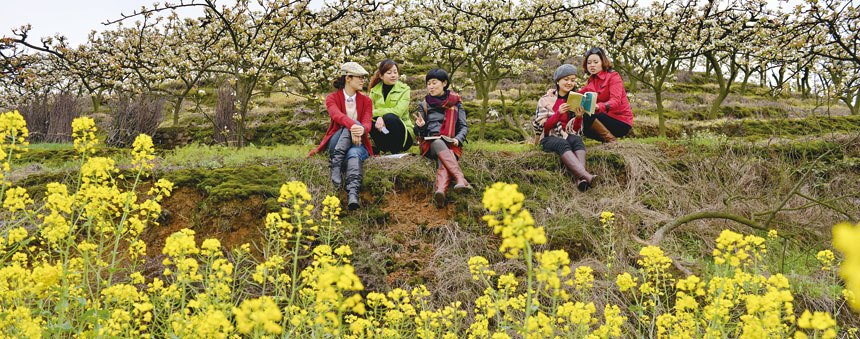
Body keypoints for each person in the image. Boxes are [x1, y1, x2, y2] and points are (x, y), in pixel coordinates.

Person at [308, 62, 373, 210]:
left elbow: (367, 123)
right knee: (350, 123)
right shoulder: (332, 98)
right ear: (348, 78)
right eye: (360, 77)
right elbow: (338, 116)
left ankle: (353, 194)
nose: (363, 80)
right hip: (336, 142)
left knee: (354, 153)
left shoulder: (367, 101)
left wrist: (361, 129)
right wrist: (355, 126)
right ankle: (336, 164)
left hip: (357, 145)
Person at [533, 64, 598, 191]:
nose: (569, 83)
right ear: (558, 81)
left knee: (577, 140)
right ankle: (587, 177)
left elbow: (574, 129)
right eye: (566, 79)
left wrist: (579, 116)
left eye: (572, 80)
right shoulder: (546, 100)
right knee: (562, 143)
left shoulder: (574, 99)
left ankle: (582, 180)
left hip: (565, 134)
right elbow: (545, 126)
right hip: (548, 137)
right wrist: (558, 113)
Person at [413, 68, 471, 207]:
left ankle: (440, 191)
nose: (430, 87)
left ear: (444, 83)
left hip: (451, 144)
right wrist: (420, 126)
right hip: (430, 144)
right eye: (428, 84)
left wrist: (458, 139)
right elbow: (419, 133)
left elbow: (464, 126)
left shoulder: (456, 102)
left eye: (434, 83)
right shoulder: (424, 105)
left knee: (445, 152)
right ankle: (460, 178)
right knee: (438, 141)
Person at [568, 47, 634, 143]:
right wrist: (556, 92)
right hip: (603, 118)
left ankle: (612, 141)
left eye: (595, 62)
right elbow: (578, 94)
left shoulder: (613, 76)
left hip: (620, 121)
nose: (592, 65)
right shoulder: (591, 80)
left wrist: (598, 106)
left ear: (602, 62)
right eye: (589, 63)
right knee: (578, 117)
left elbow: (615, 101)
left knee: (586, 115)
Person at [368, 59, 414, 154]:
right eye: (389, 73)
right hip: (384, 131)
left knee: (390, 117)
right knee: (369, 123)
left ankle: (396, 150)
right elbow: (368, 112)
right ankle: (385, 148)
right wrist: (379, 118)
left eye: (395, 72)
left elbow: (398, 112)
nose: (393, 75)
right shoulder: (374, 91)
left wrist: (380, 116)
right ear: (381, 76)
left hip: (403, 135)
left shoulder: (404, 90)